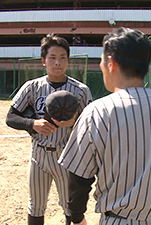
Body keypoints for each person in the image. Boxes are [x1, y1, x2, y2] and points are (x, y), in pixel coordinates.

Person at [58, 27, 151, 225]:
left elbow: (78, 178)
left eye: (101, 60)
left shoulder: (97, 112)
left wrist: (76, 218)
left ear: (111, 63)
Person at [6, 33, 93, 225]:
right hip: (39, 155)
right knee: (35, 206)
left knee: (70, 207)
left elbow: (92, 124)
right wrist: (32, 124)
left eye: (62, 57)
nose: (58, 63)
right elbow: (10, 117)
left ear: (68, 61)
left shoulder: (80, 90)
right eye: (52, 57)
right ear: (43, 61)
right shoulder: (32, 87)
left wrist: (74, 122)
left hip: (67, 156)